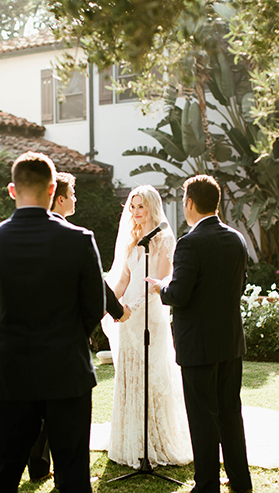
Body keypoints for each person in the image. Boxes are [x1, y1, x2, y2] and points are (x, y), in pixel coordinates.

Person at [0, 152, 105, 493]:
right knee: (73, 473)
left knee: (2, 472)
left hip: (13, 372)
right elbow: (94, 307)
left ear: (12, 190)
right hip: (67, 371)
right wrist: (69, 337)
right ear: (52, 189)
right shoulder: (79, 240)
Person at [149, 175, 253, 493]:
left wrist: (160, 286)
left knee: (202, 415)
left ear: (190, 203)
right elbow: (241, 285)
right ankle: (240, 480)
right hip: (230, 341)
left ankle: (207, 484)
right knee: (230, 412)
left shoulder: (190, 242)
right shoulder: (236, 238)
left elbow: (179, 293)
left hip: (198, 344)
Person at [25, 171, 129, 483]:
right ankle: (59, 472)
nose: (75, 200)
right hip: (65, 340)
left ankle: (38, 466)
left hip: (28, 341)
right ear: (58, 198)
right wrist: (109, 315)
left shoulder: (25, 235)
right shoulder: (75, 237)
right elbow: (95, 287)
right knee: (61, 411)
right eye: (72, 195)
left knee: (36, 405)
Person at [102, 184, 192, 468]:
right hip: (127, 319)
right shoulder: (131, 239)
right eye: (133, 206)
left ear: (152, 207)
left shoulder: (165, 240)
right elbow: (122, 282)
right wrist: (108, 305)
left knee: (153, 375)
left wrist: (134, 309)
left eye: (141, 206)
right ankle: (130, 439)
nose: (136, 212)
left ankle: (157, 441)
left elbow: (161, 284)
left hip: (151, 318)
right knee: (130, 376)